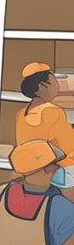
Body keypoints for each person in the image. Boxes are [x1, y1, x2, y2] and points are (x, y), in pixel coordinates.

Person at [15, 62, 74, 191]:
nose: (58, 87)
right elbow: (69, 148)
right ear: (43, 86)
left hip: (31, 173)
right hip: (56, 173)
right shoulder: (52, 111)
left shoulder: (20, 114)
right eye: (55, 83)